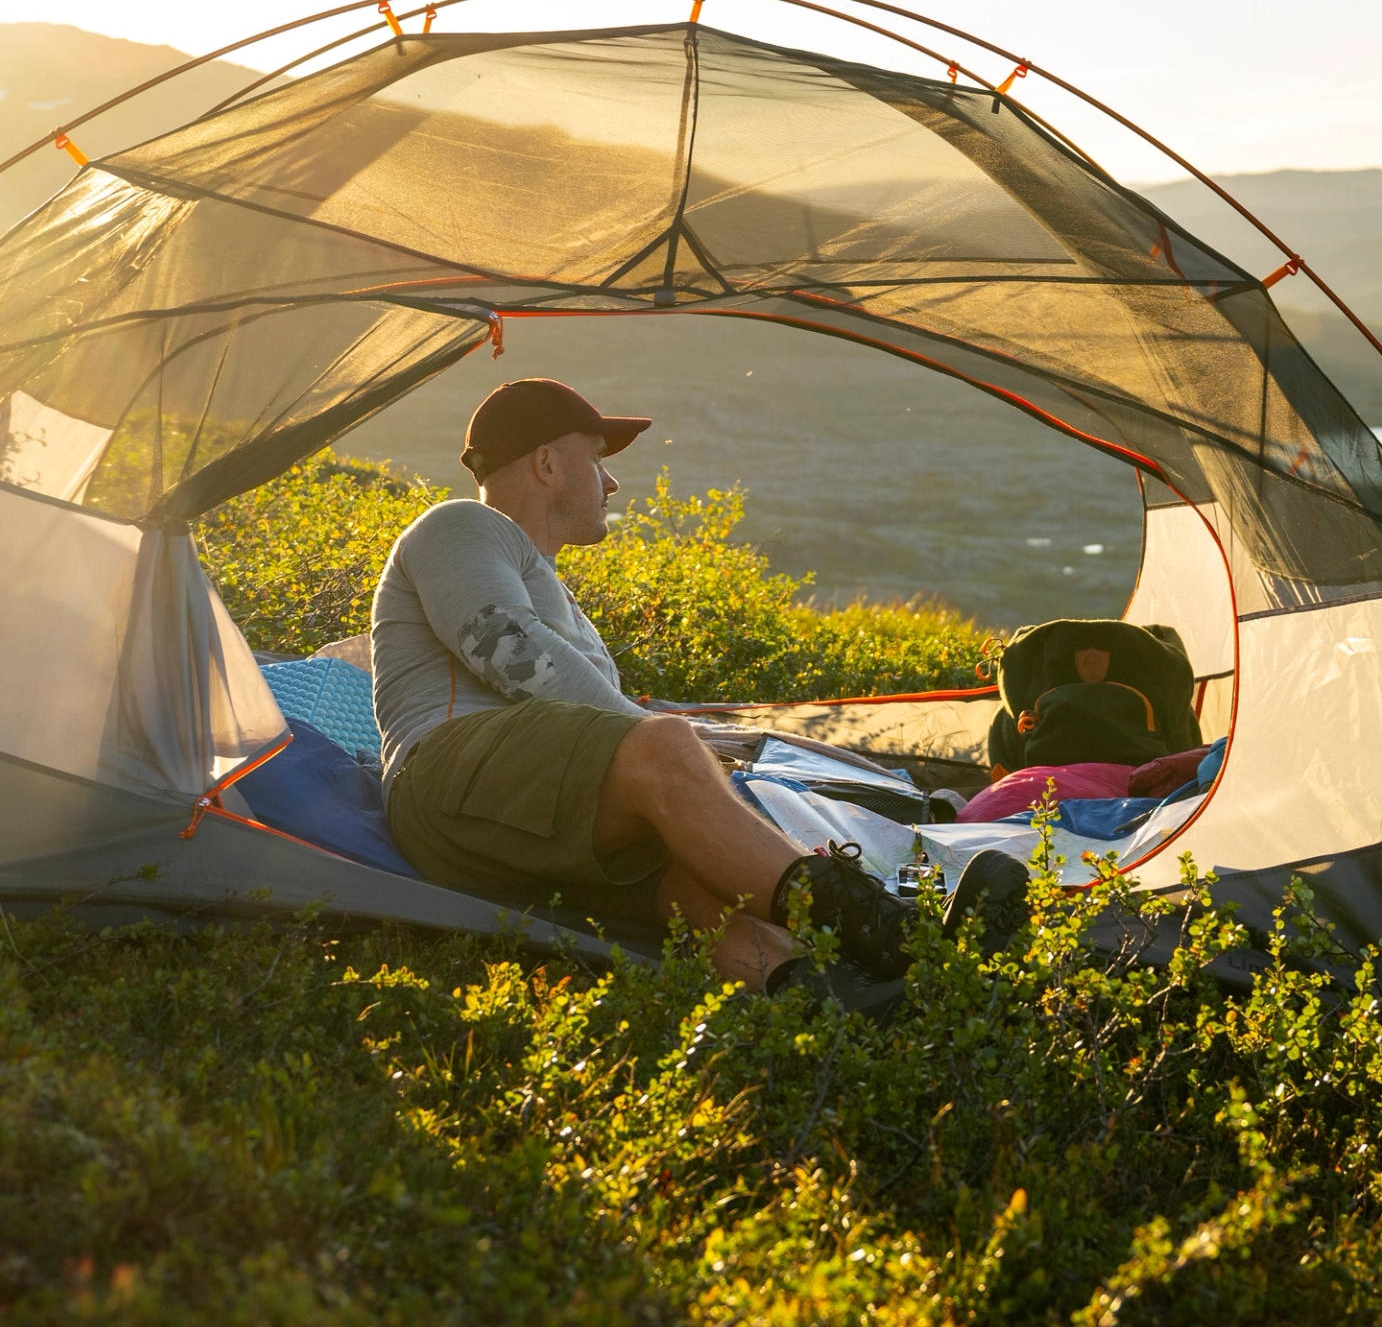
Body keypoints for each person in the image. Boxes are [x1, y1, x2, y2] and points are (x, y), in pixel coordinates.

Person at [370, 376, 1011, 1011]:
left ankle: (837, 999)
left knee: (697, 883)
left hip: (524, 820)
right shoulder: (462, 525)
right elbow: (505, 646)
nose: (611, 483)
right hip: (447, 782)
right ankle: (896, 936)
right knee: (664, 746)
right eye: (595, 459)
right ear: (545, 462)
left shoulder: (550, 586)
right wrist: (668, 746)